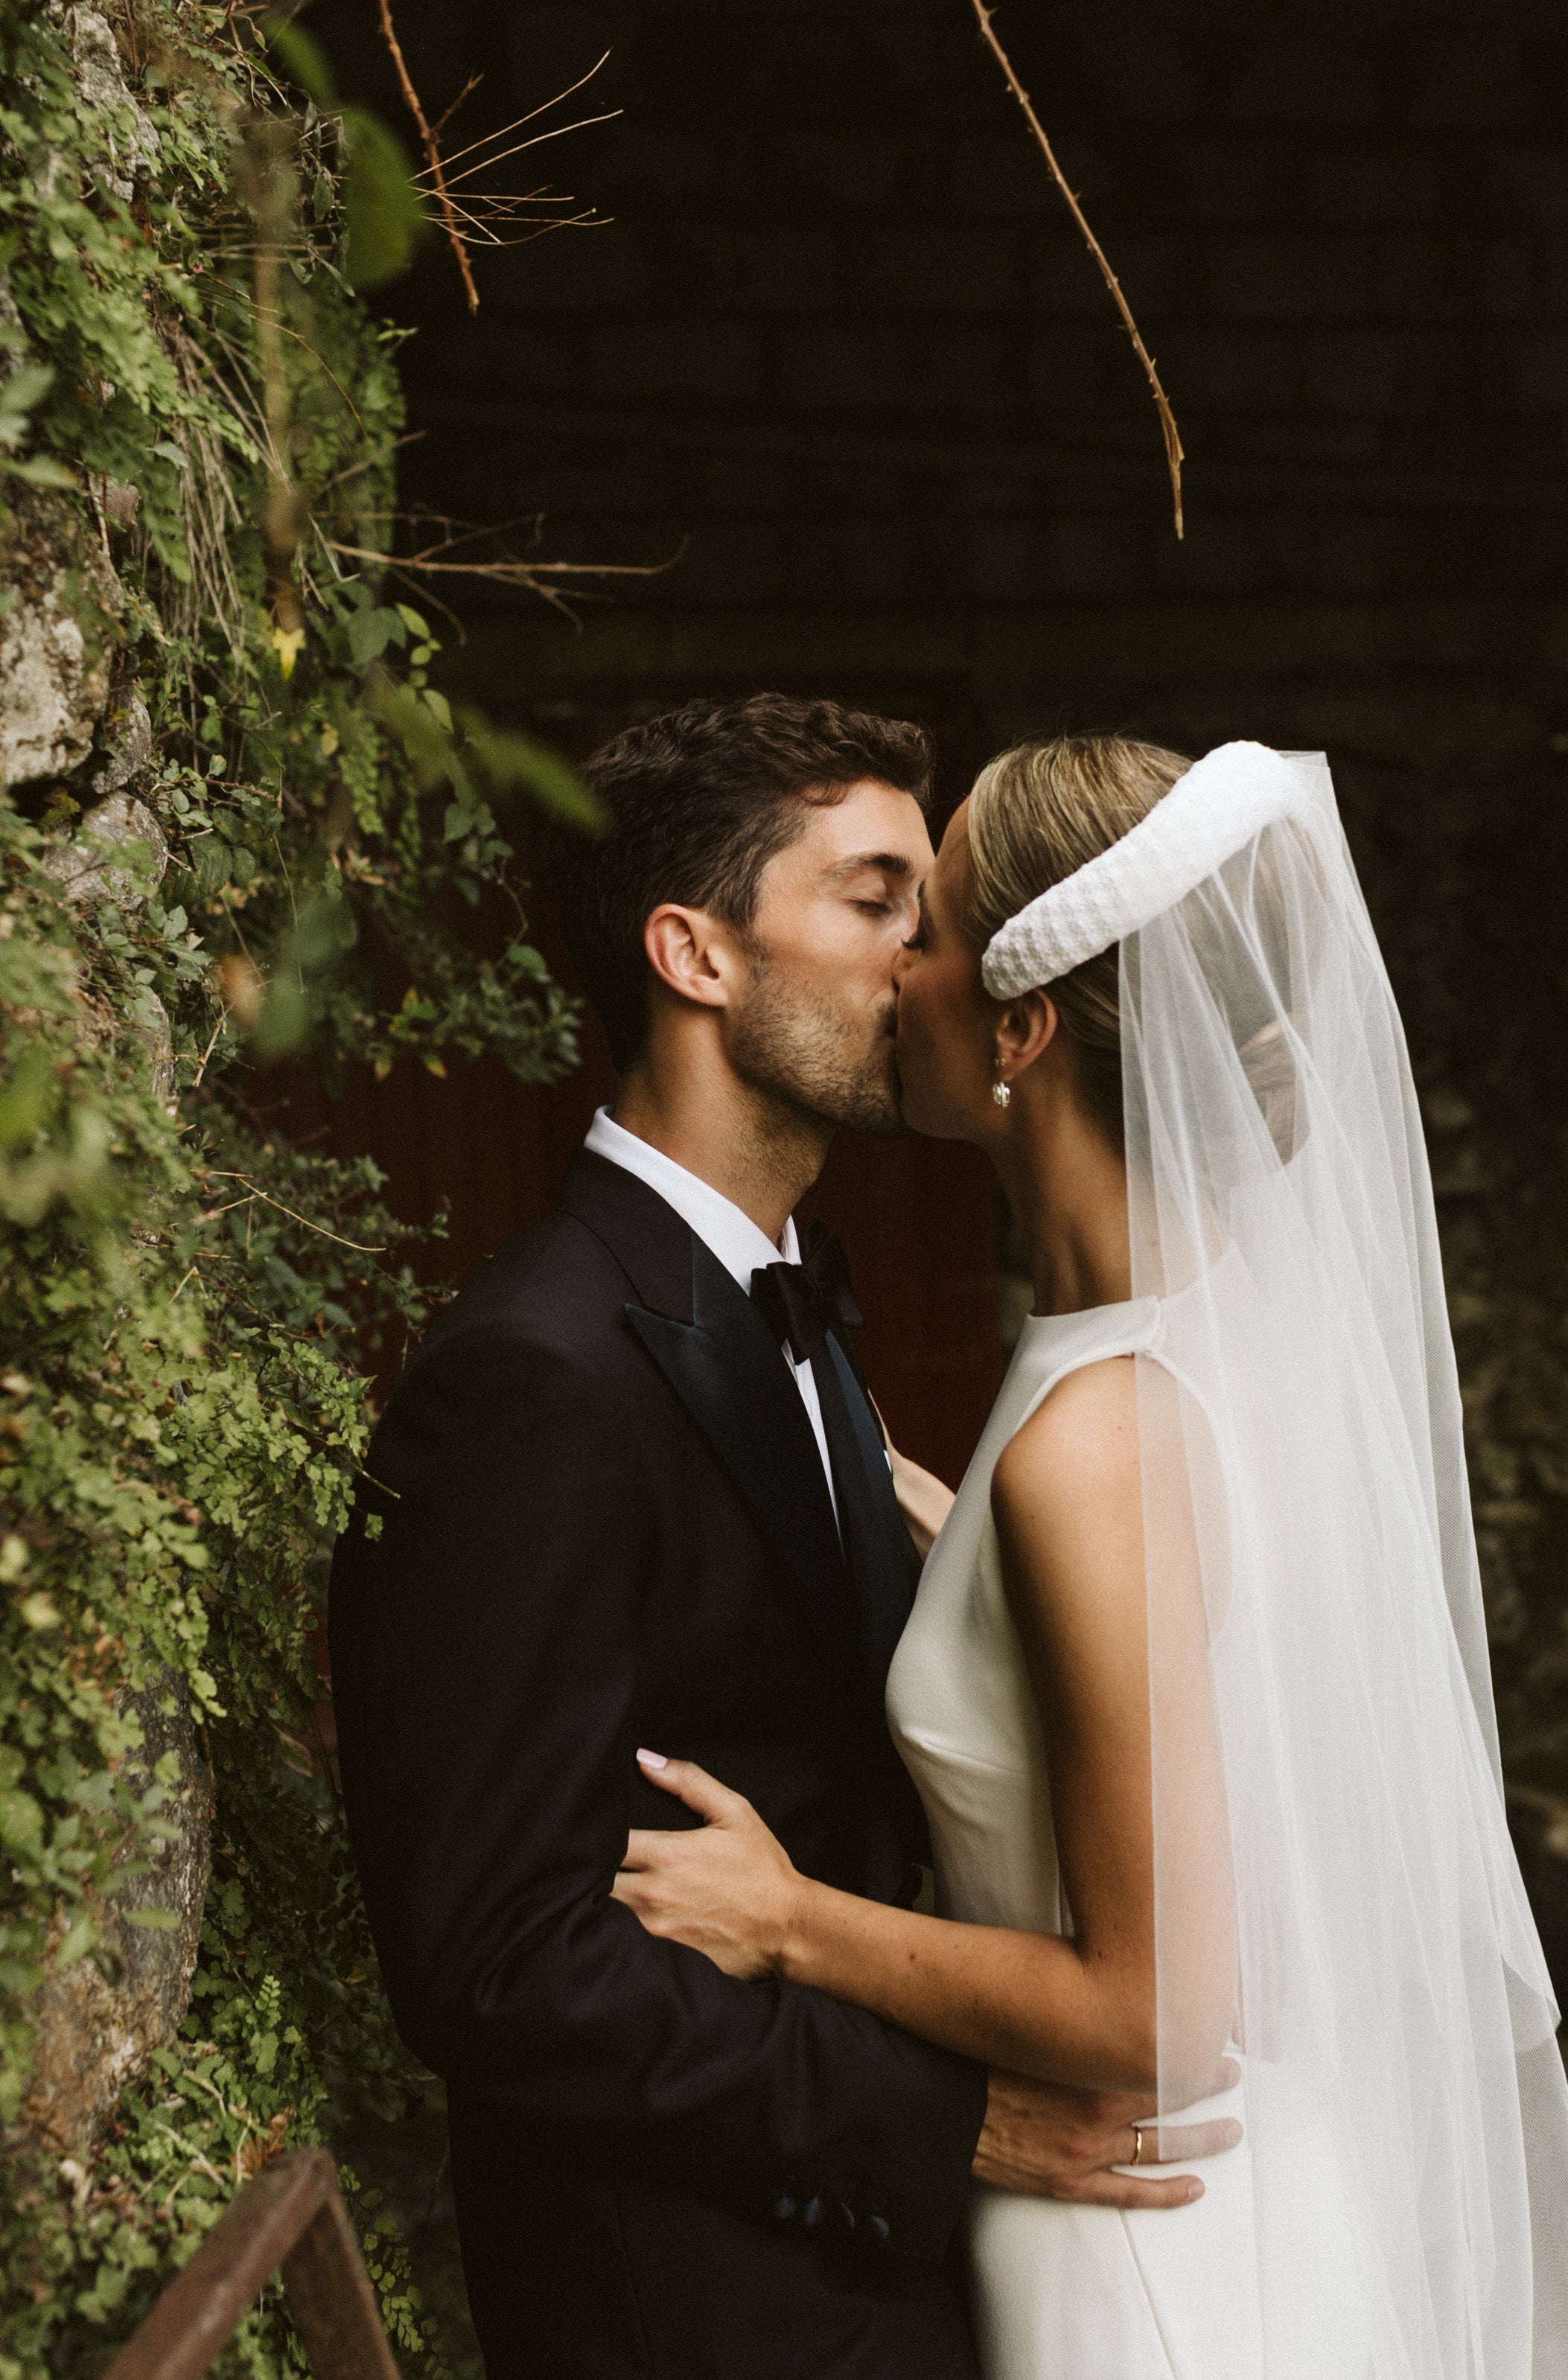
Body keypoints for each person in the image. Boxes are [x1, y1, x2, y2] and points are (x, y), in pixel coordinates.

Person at [611, 733, 1568, 2380]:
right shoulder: (1202, 1340)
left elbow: (1151, 2010)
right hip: (1246, 2202)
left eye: (924, 928)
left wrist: (790, 1919)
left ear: (1018, 1027)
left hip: (1149, 2262)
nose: (893, 966)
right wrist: (968, 1565)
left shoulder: (1097, 1445)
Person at [325, 696, 1235, 2380]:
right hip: (697, 2309)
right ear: (696, 954)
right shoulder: (529, 1376)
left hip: (900, 2288)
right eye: (878, 896)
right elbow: (500, 1960)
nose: (930, 956)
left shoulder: (799, 1310)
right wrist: (944, 2117)